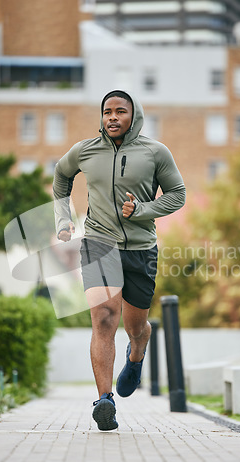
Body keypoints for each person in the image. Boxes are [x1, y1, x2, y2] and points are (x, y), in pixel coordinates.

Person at [53, 90, 186, 431]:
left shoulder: (156, 152)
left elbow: (177, 194)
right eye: (107, 112)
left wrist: (142, 210)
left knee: (135, 326)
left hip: (141, 248)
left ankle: (137, 352)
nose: (112, 117)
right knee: (103, 318)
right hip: (98, 243)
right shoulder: (85, 150)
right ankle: (104, 401)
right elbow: (61, 176)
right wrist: (63, 218)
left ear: (134, 115)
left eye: (120, 112)